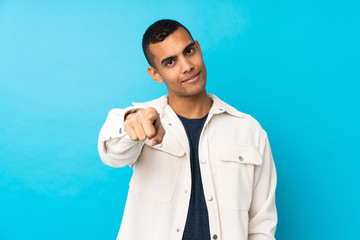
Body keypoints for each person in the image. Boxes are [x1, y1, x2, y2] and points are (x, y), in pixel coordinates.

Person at [98, 19, 277, 240]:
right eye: (170, 62)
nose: (187, 66)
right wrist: (130, 122)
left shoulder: (249, 130)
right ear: (156, 74)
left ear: (199, 49)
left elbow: (261, 226)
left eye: (189, 51)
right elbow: (112, 154)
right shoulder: (145, 120)